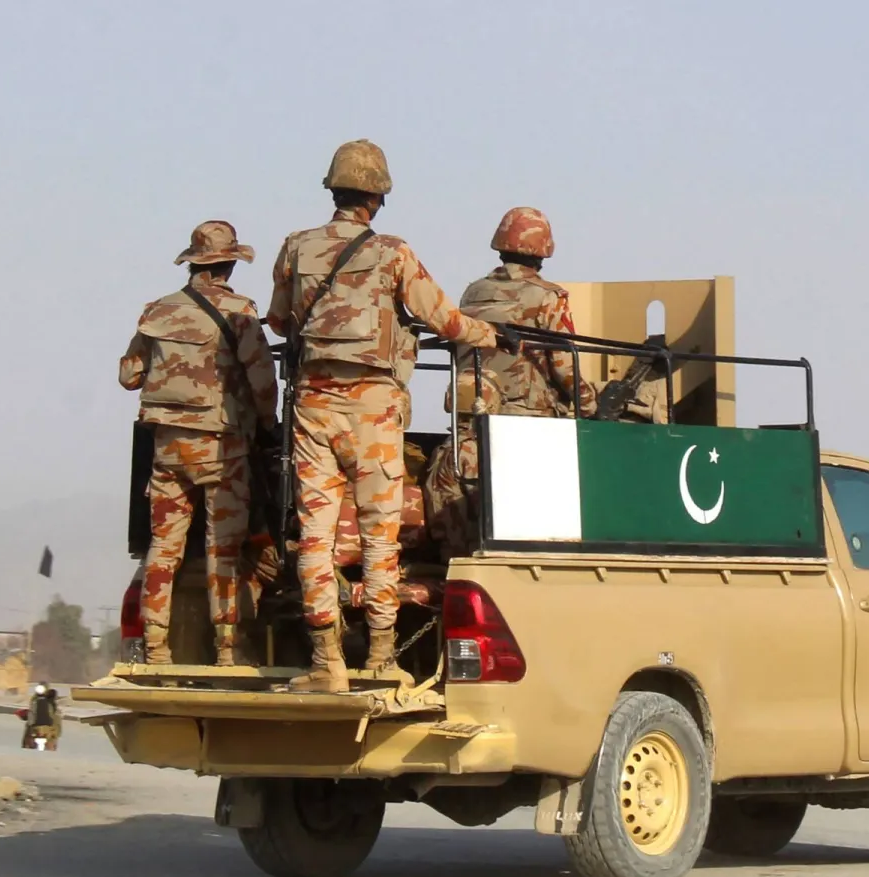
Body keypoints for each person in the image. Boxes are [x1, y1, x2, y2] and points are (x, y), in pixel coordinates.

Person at [265, 138, 511, 693]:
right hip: (373, 411)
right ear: (378, 199)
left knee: (315, 538)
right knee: (381, 538)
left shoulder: (294, 248)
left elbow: (280, 322)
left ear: (333, 190)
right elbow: (445, 320)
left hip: (313, 406)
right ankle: (380, 657)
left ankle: (325, 661)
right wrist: (491, 335)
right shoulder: (393, 252)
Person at [119, 220, 279, 667]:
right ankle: (227, 651)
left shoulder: (157, 312)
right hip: (222, 449)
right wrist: (267, 425)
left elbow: (129, 376)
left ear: (192, 262)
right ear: (229, 264)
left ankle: (154, 649)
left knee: (163, 550)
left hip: (168, 451)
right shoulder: (239, 311)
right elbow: (263, 381)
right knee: (221, 551)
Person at [424, 206, 596, 557]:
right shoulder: (550, 297)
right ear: (543, 250)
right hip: (527, 426)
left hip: (471, 421)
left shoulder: (473, 293)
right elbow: (564, 369)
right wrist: (590, 403)